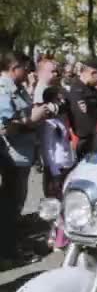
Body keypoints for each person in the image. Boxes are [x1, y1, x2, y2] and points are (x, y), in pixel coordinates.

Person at [0, 52, 50, 266]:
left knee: (14, 204)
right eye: (25, 68)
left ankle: (11, 246)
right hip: (13, 156)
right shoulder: (4, 90)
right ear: (14, 67)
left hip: (24, 153)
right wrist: (31, 120)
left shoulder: (17, 88)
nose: (28, 72)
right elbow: (6, 127)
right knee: (11, 206)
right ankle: (8, 252)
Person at [66, 57, 97, 160]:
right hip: (86, 142)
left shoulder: (91, 89)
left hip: (96, 139)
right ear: (93, 73)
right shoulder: (77, 90)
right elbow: (82, 123)